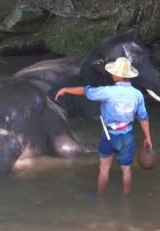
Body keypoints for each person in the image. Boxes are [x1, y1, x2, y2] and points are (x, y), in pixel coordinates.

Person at [55, 57, 153, 196]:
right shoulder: (137, 94)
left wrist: (66, 89)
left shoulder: (108, 91)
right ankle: (126, 199)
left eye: (114, 73)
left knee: (104, 169)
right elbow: (143, 118)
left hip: (110, 135)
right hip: (127, 136)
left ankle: (100, 198)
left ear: (119, 75)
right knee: (126, 170)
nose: (112, 75)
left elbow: (85, 91)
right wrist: (147, 138)